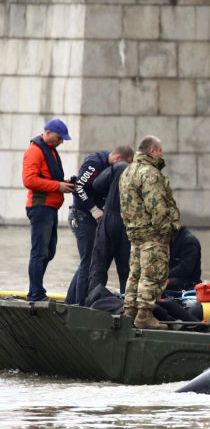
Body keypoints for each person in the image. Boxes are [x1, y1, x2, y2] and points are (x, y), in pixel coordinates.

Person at [120, 136, 180, 330]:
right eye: (160, 150)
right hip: (153, 233)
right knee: (153, 273)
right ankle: (144, 315)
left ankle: (129, 312)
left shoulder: (128, 172)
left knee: (135, 273)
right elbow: (158, 207)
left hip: (135, 232)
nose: (162, 154)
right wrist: (166, 231)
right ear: (152, 151)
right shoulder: (150, 173)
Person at [66, 144, 133, 305]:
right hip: (82, 216)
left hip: (92, 217)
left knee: (87, 262)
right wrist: (94, 209)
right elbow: (79, 188)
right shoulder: (95, 163)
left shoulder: (109, 167)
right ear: (118, 159)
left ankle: (71, 301)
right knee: (88, 262)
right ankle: (79, 303)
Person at [22, 119, 75, 302]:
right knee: (39, 252)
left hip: (50, 208)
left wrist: (64, 184)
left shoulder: (50, 151)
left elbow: (48, 177)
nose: (61, 142)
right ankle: (35, 294)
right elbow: (29, 181)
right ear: (49, 132)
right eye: (60, 138)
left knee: (49, 252)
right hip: (40, 207)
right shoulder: (34, 151)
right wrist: (58, 186)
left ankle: (36, 290)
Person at [86, 159, 132, 298]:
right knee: (127, 269)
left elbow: (97, 184)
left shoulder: (119, 167)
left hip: (110, 218)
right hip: (130, 223)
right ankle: (128, 305)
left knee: (99, 265)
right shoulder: (147, 173)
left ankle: (93, 302)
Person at [166, 225, 202, 295]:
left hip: (188, 282)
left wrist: (163, 277)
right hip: (168, 277)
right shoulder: (166, 240)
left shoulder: (189, 241)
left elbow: (186, 269)